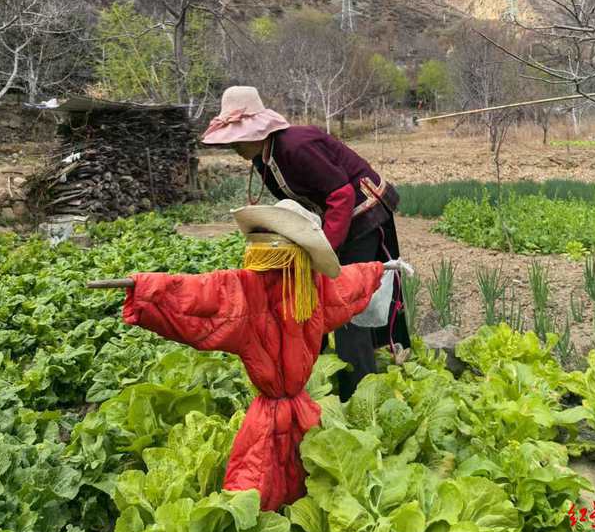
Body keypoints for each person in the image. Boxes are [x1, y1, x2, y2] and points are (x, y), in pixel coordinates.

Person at [89, 200, 410, 511]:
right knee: (258, 490)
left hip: (296, 409)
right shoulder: (249, 292)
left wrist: (379, 268)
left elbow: (349, 283)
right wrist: (148, 289)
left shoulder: (313, 289)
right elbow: (195, 296)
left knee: (290, 480)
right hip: (274, 414)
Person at [201, 85, 410, 401]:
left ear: (258, 131)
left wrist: (324, 247)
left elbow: (341, 194)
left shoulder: (295, 148)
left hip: (364, 211)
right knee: (315, 293)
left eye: (237, 137)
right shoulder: (264, 158)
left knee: (347, 300)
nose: (233, 145)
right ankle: (319, 372)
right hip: (337, 217)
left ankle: (359, 395)